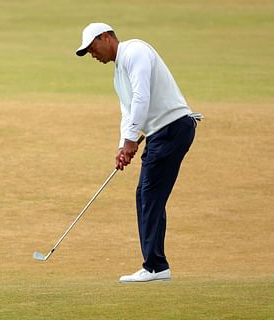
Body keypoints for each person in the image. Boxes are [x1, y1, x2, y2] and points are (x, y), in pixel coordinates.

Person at [76, 23, 202, 282]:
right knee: (146, 195)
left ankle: (156, 267)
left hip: (172, 129)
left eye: (93, 48)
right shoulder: (118, 73)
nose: (93, 54)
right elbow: (129, 111)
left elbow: (142, 97)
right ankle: (155, 265)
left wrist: (133, 140)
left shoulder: (135, 51)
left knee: (149, 196)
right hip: (162, 133)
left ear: (106, 37)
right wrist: (124, 145)